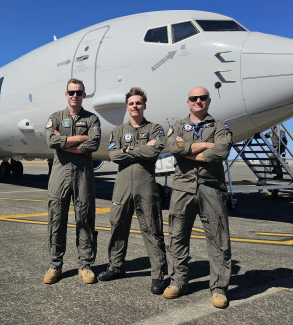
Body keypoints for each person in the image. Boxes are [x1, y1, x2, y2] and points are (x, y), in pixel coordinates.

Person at [163, 86, 233, 309]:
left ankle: (219, 288)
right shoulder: (177, 126)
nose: (198, 101)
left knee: (218, 239)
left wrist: (189, 151)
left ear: (208, 101)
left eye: (202, 98)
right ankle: (178, 282)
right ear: (188, 102)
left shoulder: (219, 126)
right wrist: (204, 146)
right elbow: (173, 146)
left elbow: (222, 150)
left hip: (210, 188)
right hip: (182, 188)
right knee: (177, 237)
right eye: (194, 98)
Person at [97, 87, 168, 295]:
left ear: (144, 105)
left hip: (146, 186)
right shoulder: (118, 131)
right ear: (127, 107)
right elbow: (113, 155)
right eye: (131, 103)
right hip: (122, 186)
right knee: (118, 225)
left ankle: (158, 274)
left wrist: (127, 151)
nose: (135, 106)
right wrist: (140, 151)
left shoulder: (155, 129)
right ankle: (116, 266)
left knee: (152, 229)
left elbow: (154, 150)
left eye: (138, 103)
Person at [43, 78, 101, 284]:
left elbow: (94, 143)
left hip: (83, 175)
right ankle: (55, 265)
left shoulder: (93, 119)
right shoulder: (55, 117)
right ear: (66, 94)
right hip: (60, 175)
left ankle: (85, 265)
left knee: (85, 218)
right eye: (71, 92)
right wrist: (81, 138)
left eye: (79, 92)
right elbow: (51, 140)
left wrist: (65, 143)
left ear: (84, 95)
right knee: (56, 219)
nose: (75, 96)